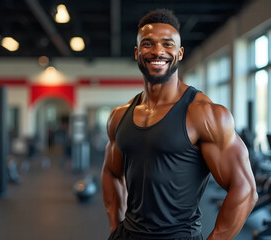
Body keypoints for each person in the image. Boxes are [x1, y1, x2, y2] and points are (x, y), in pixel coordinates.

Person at [101, 8, 258, 240]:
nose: (157, 51)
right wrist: (116, 226)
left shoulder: (204, 114)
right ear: (137, 52)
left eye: (167, 44)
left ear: (180, 52)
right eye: (148, 44)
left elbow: (245, 189)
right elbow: (111, 173)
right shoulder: (119, 116)